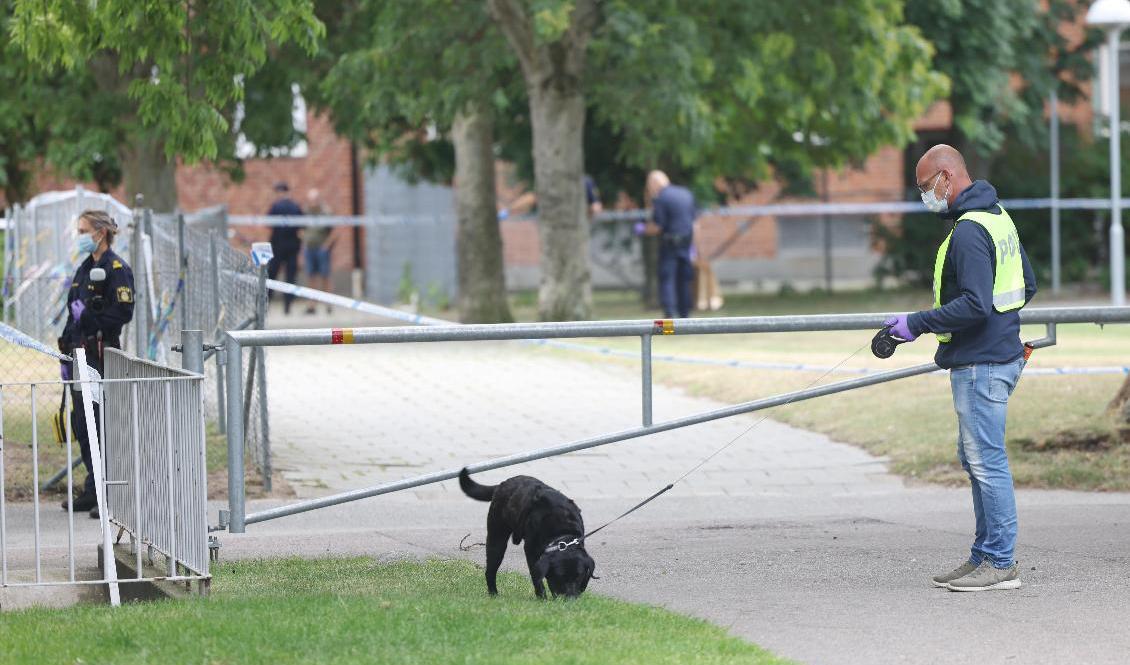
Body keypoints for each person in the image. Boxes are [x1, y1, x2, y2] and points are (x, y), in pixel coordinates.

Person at [885, 144, 1037, 592]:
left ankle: (1001, 562)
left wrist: (914, 324)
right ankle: (984, 555)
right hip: (998, 357)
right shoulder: (998, 217)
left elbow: (973, 304)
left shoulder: (971, 231)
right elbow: (1027, 284)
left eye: (926, 187)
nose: (925, 197)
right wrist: (1002, 327)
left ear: (947, 177)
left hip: (981, 365)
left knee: (986, 462)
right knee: (975, 459)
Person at [58, 210, 135, 518]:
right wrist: (65, 347)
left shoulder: (116, 269)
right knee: (81, 423)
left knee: (99, 423)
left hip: (100, 353)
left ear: (100, 233)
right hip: (78, 353)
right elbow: (72, 310)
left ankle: (108, 491)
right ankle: (93, 489)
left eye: (83, 230)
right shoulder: (84, 268)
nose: (79, 237)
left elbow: (123, 313)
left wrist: (89, 319)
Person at [643, 170, 695, 319]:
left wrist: (642, 229)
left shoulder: (661, 198)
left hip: (670, 244)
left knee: (667, 279)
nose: (650, 189)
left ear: (654, 183)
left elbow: (658, 226)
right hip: (686, 243)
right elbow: (694, 222)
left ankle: (669, 319)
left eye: (649, 186)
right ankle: (685, 317)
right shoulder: (686, 193)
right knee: (684, 280)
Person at [266, 181, 303, 314]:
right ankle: (287, 306)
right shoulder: (295, 206)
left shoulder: (276, 206)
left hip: (277, 246)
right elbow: (301, 224)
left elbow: (268, 222)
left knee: (272, 275)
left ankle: (267, 304)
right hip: (292, 246)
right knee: (290, 277)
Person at [302, 188, 338, 314]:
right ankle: (312, 305)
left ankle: (328, 304)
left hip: (322, 250)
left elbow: (335, 232)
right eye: (310, 200)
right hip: (309, 249)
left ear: (319, 200)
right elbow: (301, 229)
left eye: (315, 200)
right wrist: (304, 242)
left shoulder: (326, 212)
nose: (313, 203)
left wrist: (326, 246)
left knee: (325, 276)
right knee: (311, 277)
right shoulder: (305, 212)